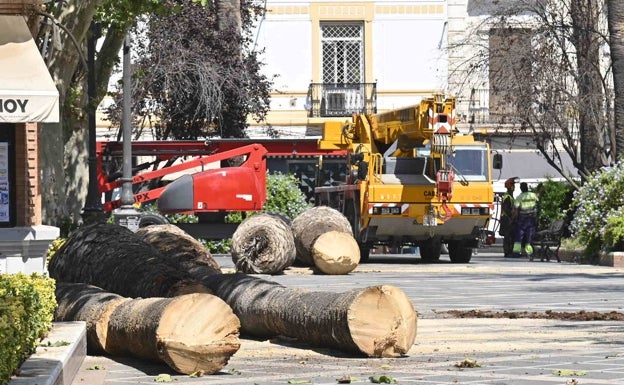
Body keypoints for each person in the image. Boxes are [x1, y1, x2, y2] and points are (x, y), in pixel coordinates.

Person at [513, 182, 539, 258]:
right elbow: (538, 198)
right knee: (529, 236)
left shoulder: (519, 197)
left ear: (521, 188)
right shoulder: (532, 195)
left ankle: (516, 252)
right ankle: (529, 252)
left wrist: (514, 218)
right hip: (531, 219)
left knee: (519, 236)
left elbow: (515, 209)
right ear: (527, 187)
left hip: (522, 220)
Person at [500, 177, 516, 258]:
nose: (514, 187)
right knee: (508, 236)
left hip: (508, 219)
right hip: (507, 219)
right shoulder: (508, 197)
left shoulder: (510, 196)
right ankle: (507, 252)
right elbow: (506, 209)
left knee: (510, 235)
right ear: (510, 186)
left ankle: (509, 251)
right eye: (513, 185)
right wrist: (511, 216)